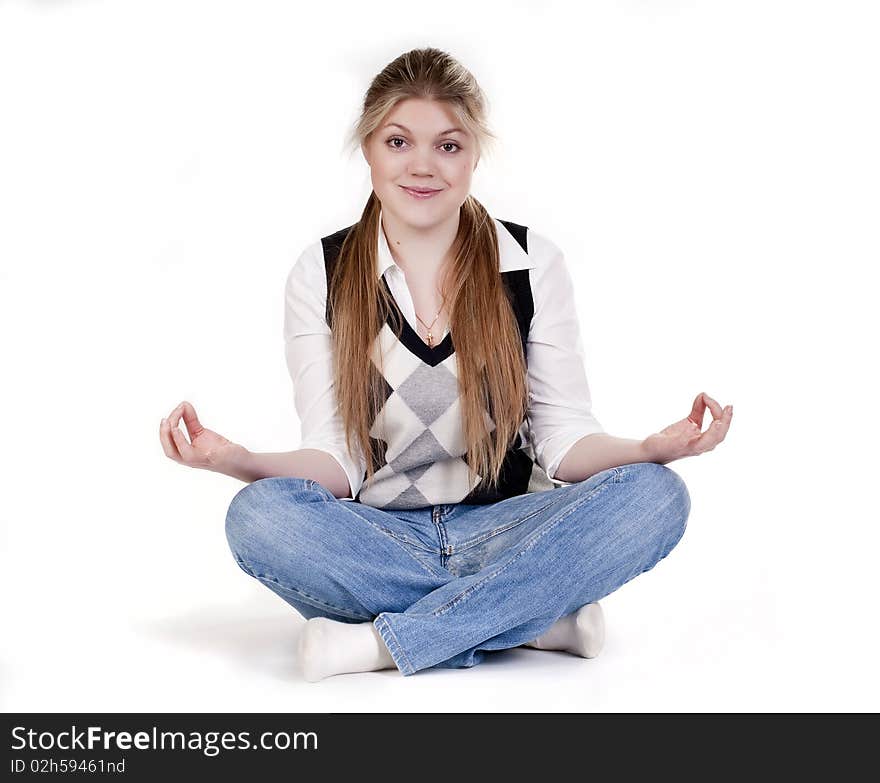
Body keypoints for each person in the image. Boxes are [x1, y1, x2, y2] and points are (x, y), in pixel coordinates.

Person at [158, 47, 732, 681]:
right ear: (369, 148)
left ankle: (382, 645)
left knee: (655, 495)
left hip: (508, 529)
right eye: (399, 142)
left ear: (475, 154)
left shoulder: (529, 263)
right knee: (261, 516)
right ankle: (532, 619)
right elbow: (335, 462)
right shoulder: (320, 272)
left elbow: (564, 441)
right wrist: (232, 461)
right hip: (379, 538)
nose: (423, 166)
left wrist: (651, 447)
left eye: (449, 146)